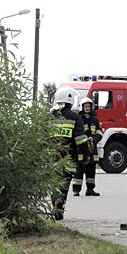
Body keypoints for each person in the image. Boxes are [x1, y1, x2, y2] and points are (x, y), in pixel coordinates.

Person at [49, 85, 90, 220]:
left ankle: (56, 199)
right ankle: (60, 212)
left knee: (53, 183)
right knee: (65, 183)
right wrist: (85, 157)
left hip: (51, 158)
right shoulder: (74, 117)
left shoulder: (49, 117)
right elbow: (80, 140)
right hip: (69, 158)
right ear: (70, 100)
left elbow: (42, 138)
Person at [73, 96, 103, 197]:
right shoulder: (78, 119)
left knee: (91, 170)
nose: (87, 108)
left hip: (92, 149)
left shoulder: (95, 120)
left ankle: (90, 189)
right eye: (85, 106)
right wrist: (85, 140)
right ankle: (76, 190)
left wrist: (94, 139)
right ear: (82, 107)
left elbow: (99, 132)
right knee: (79, 170)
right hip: (81, 149)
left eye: (89, 106)